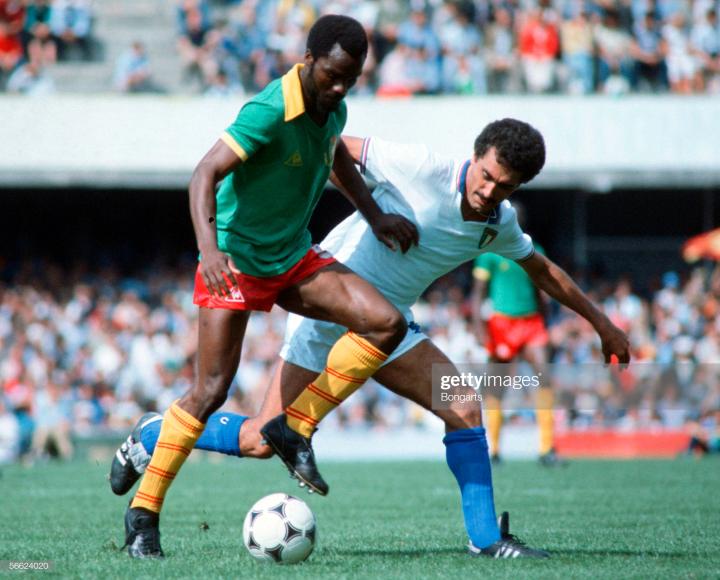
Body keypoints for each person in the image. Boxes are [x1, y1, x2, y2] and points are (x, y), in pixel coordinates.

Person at [112, 119, 631, 559]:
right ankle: (157, 434)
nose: (489, 190)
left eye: (505, 186)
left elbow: (543, 271)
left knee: (463, 405)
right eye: (487, 175)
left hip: (388, 327)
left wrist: (602, 324)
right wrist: (372, 212)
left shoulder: (499, 224)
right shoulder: (419, 167)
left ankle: (486, 539)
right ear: (475, 157)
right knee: (260, 442)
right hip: (328, 305)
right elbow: (331, 144)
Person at [117, 14, 419, 559]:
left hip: (292, 257)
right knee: (210, 392)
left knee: (386, 322)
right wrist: (210, 250)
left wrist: (374, 215)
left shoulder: (333, 108)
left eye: (350, 79)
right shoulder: (270, 109)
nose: (340, 88)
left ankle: (294, 428)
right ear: (308, 60)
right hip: (234, 262)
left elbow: (336, 156)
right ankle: (143, 515)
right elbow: (204, 174)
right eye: (332, 75)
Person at [472, 230, 561, 466]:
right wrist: (479, 328)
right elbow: (478, 292)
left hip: (531, 322)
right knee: (495, 386)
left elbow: (540, 288)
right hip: (502, 323)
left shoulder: (534, 249)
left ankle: (547, 448)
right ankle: (493, 449)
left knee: (545, 377)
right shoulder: (489, 252)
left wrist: (546, 322)